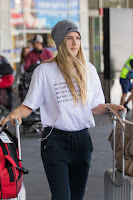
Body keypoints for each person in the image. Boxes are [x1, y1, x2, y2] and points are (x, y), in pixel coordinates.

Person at [0, 20, 125, 200]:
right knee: (61, 197)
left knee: (77, 196)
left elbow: (95, 107)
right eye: (69, 38)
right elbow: (29, 104)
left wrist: (108, 108)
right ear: (60, 42)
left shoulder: (88, 70)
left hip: (82, 141)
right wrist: (15, 114)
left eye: (78, 38)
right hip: (55, 141)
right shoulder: (44, 71)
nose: (75, 43)